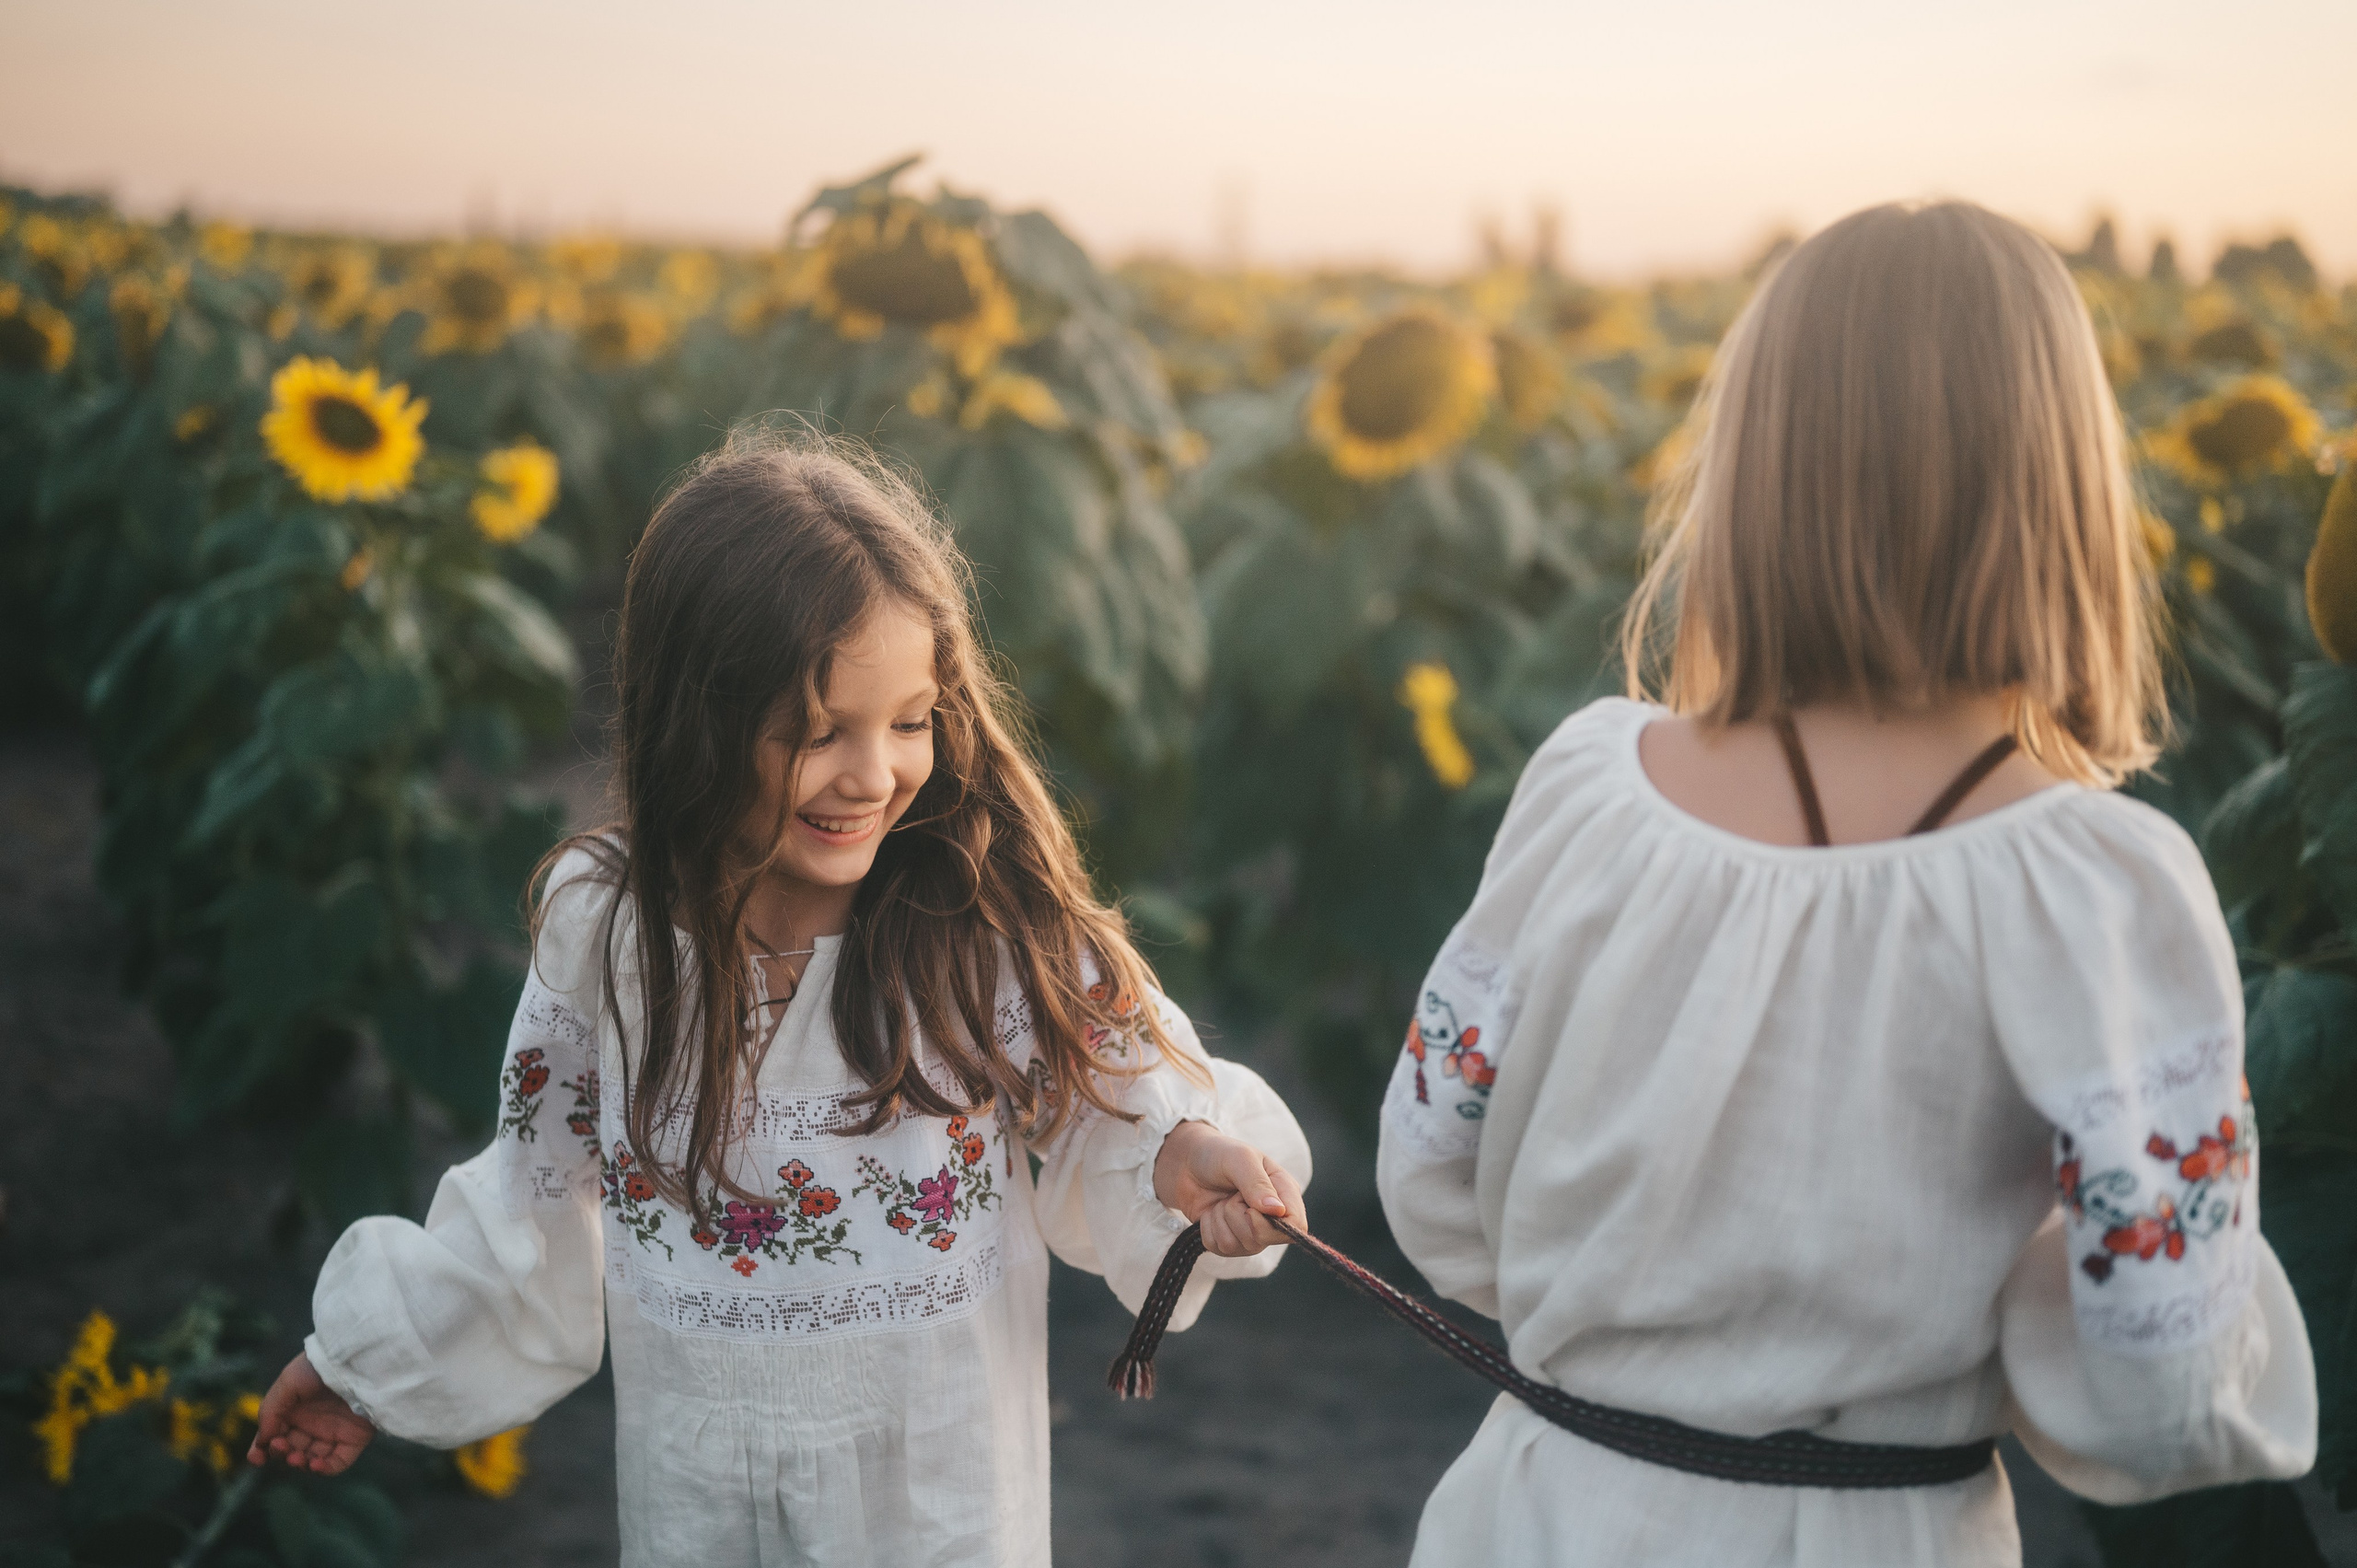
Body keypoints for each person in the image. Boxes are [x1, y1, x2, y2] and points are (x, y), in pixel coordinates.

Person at [1377, 202, 2315, 1566]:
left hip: (1542, 1503)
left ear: (1751, 464)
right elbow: (2164, 1387)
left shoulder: (1591, 787)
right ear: (2061, 487)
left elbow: (1430, 1166)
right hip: (1873, 1526)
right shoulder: (2095, 886)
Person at [246, 432, 1311, 1566]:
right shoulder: (610, 931)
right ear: (696, 718)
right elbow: (530, 1189)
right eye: (819, 731)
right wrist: (368, 1365)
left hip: (936, 1490)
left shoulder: (979, 921)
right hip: (703, 1486)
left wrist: (1183, 1151)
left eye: (910, 720)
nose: (874, 773)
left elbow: (1113, 1094)